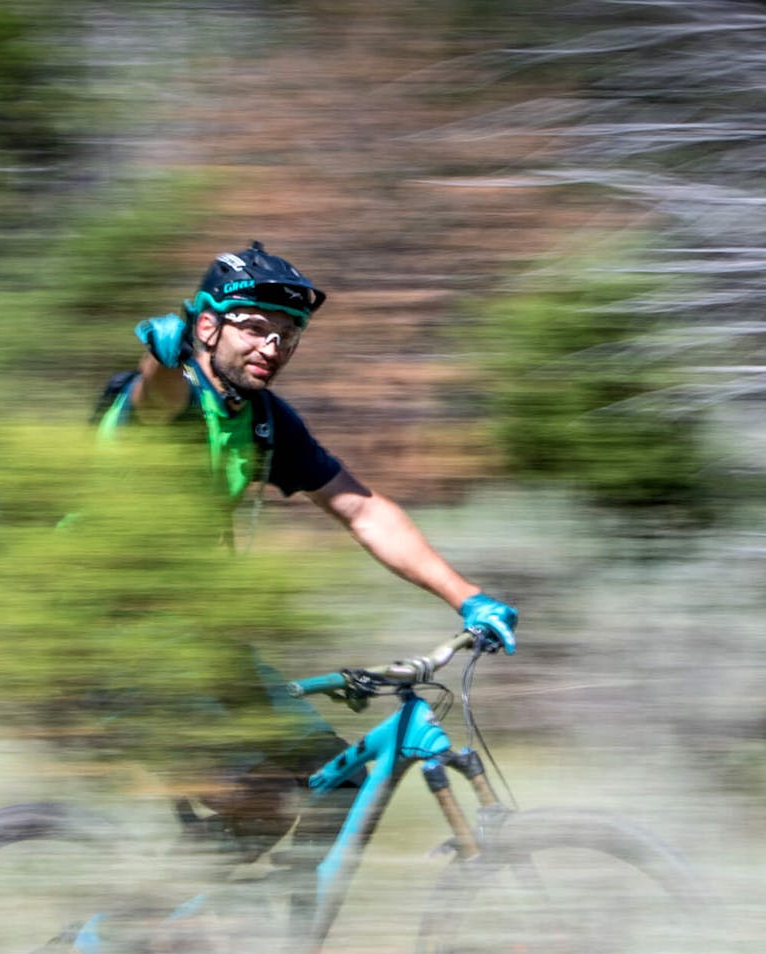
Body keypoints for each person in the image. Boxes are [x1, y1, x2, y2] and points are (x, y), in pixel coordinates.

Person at [100, 241, 517, 913]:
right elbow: (155, 398)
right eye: (254, 327)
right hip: (115, 645)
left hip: (201, 644)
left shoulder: (265, 420)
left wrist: (467, 596)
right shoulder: (171, 400)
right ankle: (125, 938)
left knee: (337, 784)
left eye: (287, 334)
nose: (273, 345)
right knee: (264, 800)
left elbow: (361, 508)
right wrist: (163, 354)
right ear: (206, 326)